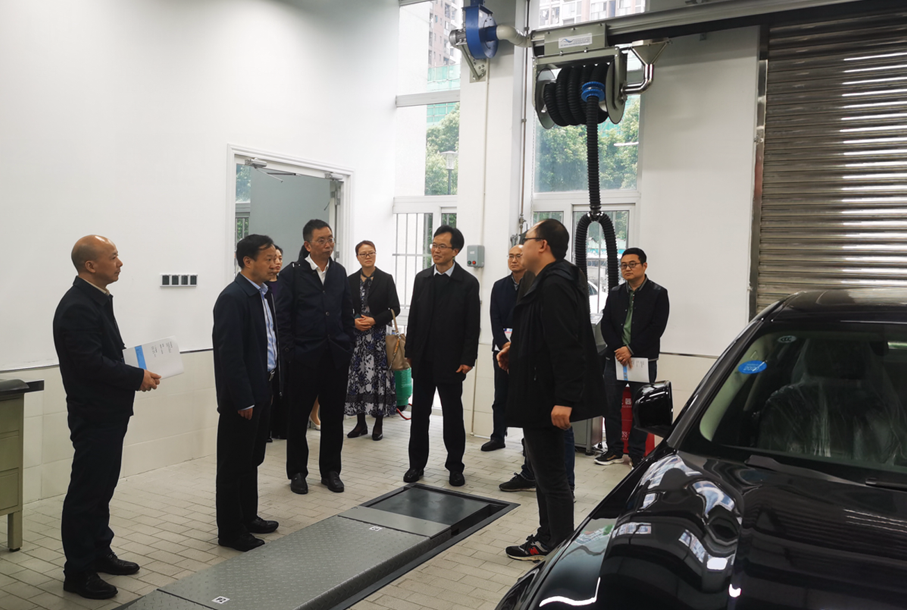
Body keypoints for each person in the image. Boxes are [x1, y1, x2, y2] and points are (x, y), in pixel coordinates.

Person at [53, 235, 161, 600]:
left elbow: (106, 353)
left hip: (109, 411)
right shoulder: (77, 307)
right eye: (113, 257)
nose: (120, 262)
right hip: (94, 413)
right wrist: (135, 376)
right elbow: (90, 363)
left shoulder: (96, 299)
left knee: (102, 489)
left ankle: (99, 550)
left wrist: (138, 369)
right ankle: (78, 571)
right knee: (87, 493)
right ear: (90, 265)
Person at [498, 219, 606, 561]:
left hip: (546, 397)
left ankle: (556, 543)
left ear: (542, 245)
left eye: (527, 239)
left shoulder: (555, 284)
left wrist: (564, 400)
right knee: (546, 475)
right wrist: (514, 350)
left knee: (552, 478)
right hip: (540, 394)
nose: (523, 245)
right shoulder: (549, 279)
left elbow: (566, 345)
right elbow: (543, 333)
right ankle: (548, 537)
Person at [212, 234, 282, 552]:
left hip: (263, 387)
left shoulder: (263, 293)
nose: (275, 263)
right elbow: (230, 354)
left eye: (276, 257)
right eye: (268, 259)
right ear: (247, 261)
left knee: (251, 459)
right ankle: (230, 531)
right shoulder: (233, 297)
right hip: (242, 397)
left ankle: (248, 517)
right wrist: (243, 398)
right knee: (233, 464)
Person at [276, 219, 354, 494]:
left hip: (335, 357)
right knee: (298, 418)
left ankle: (331, 471)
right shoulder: (291, 274)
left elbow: (347, 313)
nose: (328, 244)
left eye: (330, 238)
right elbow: (282, 318)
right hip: (303, 359)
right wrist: (290, 352)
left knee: (333, 418)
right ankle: (297, 472)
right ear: (308, 245)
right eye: (321, 240)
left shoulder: (339, 272)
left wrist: (348, 345)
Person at [403, 225, 480, 486]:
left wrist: (468, 359)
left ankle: (455, 466)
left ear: (455, 251)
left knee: (452, 416)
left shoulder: (467, 283)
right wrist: (410, 352)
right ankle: (416, 465)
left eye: (442, 246)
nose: (435, 250)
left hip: (452, 361)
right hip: (423, 359)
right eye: (434, 245)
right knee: (419, 416)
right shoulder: (422, 278)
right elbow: (414, 318)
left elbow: (472, 325)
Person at [596, 247, 669, 468]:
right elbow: (606, 323)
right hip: (616, 358)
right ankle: (614, 450)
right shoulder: (616, 292)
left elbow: (657, 327)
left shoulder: (658, 293)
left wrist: (631, 349)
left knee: (641, 407)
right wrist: (619, 348)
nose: (627, 269)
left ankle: (637, 453)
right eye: (623, 265)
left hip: (643, 359)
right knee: (610, 406)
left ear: (644, 266)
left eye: (632, 264)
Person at [345, 240, 401, 441]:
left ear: (376, 255)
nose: (367, 256)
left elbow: (395, 308)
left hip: (378, 338)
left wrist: (375, 320)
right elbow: (343, 307)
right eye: (363, 253)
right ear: (357, 257)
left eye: (371, 253)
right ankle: (360, 424)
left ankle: (378, 424)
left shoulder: (386, 279)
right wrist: (353, 321)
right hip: (357, 338)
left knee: (378, 379)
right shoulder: (350, 280)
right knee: (358, 378)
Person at [483, 245, 526, 452]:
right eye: (511, 256)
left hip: (525, 348)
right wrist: (504, 344)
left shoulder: (534, 285)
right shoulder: (499, 286)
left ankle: (528, 441)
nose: (514, 260)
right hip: (501, 349)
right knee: (500, 395)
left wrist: (517, 344)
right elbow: (494, 318)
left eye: (518, 256)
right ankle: (498, 436)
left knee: (526, 396)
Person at [268, 245, 285, 442]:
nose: (277, 262)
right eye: (273, 258)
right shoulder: (262, 287)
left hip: (284, 340)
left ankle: (281, 427)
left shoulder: (285, 283)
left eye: (280, 258)